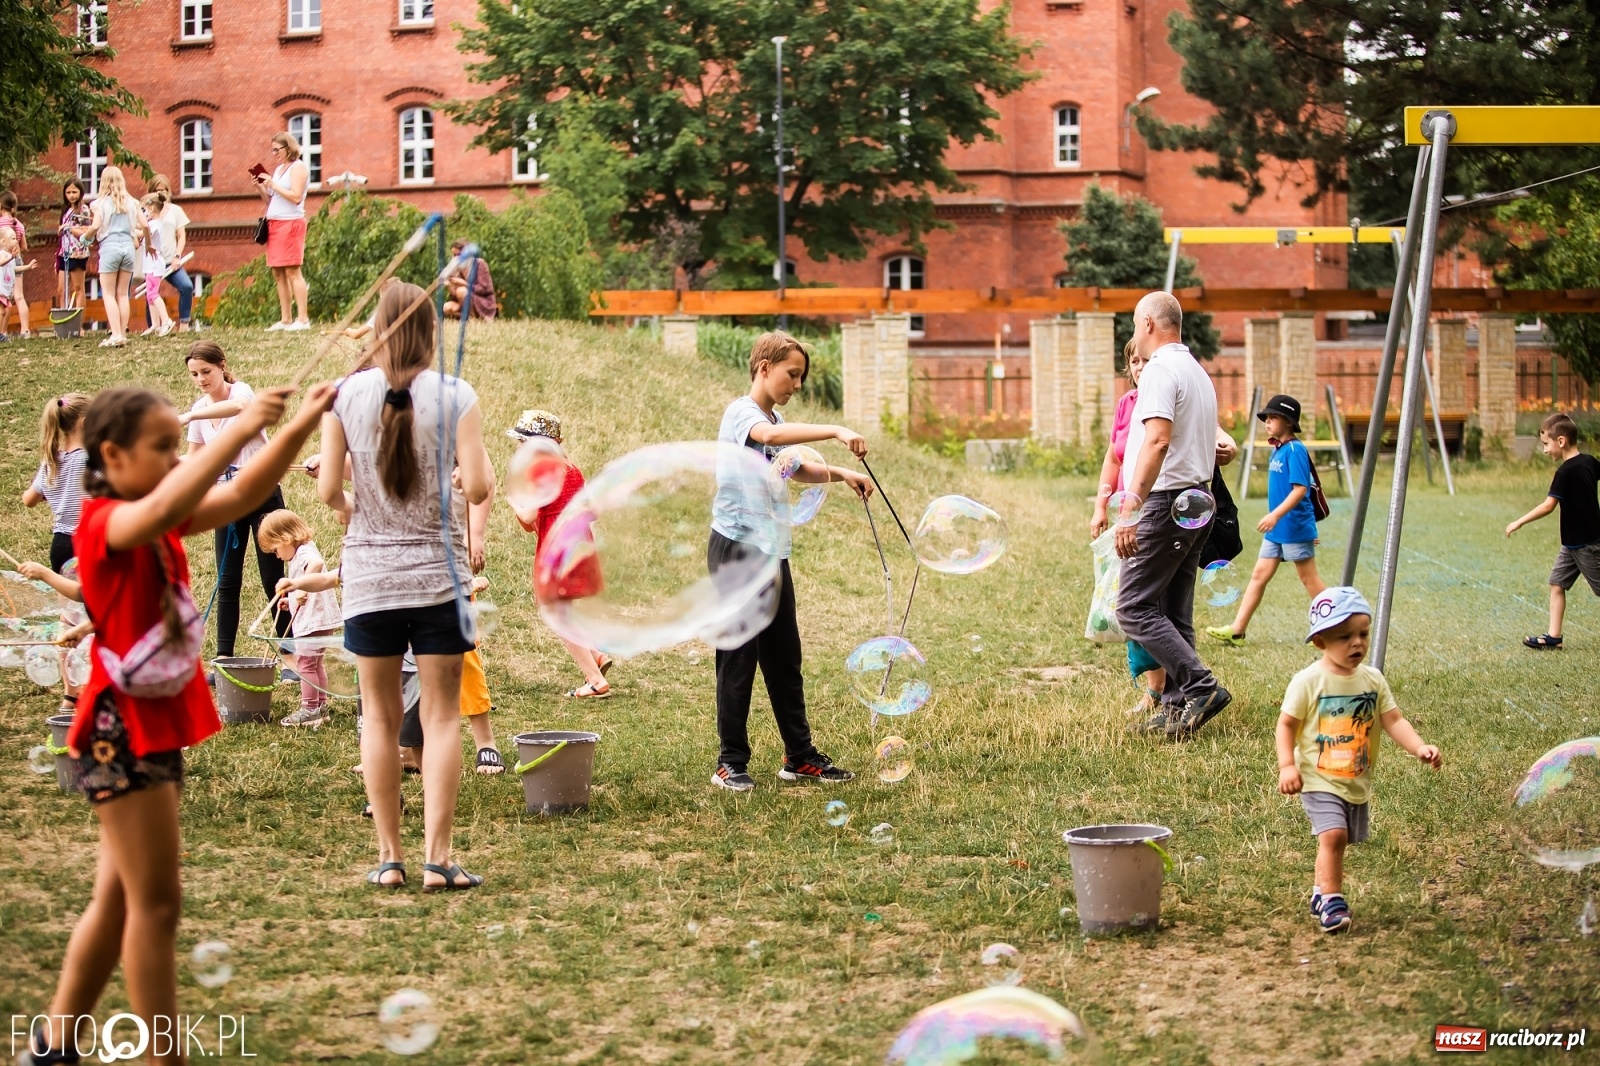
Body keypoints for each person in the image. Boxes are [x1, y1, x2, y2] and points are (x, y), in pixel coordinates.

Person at [20, 379, 333, 1066]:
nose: (173, 459)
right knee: (155, 905)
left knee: (118, 896)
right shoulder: (106, 522)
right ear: (113, 455)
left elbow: (240, 495)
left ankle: (53, 1045)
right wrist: (243, 419)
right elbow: (176, 495)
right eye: (162, 447)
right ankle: (164, 1058)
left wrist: (296, 425)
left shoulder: (153, 518)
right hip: (119, 732)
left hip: (141, 727)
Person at [320, 281, 495, 890]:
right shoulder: (456, 394)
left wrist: (354, 511)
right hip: (439, 581)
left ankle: (389, 857)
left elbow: (325, 493)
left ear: (376, 326)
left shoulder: (346, 393)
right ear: (429, 330)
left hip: (369, 580)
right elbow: (477, 488)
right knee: (443, 718)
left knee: (378, 716)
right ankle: (438, 860)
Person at [708, 330, 873, 792]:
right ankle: (730, 762)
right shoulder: (744, 414)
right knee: (738, 656)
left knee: (785, 657)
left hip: (770, 551)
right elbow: (770, 437)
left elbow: (792, 467)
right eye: (792, 374)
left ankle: (799, 756)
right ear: (764, 367)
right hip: (737, 549)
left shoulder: (775, 417)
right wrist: (837, 430)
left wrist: (841, 473)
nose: (796, 384)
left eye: (800, 377)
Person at [1277, 586, 1441, 934]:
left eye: (1363, 634)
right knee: (1333, 835)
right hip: (1316, 776)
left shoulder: (1372, 680)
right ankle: (1333, 901)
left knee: (1340, 840)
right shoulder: (1309, 681)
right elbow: (1286, 725)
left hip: (1354, 778)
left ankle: (1321, 892)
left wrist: (1419, 748)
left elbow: (1393, 720)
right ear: (1320, 642)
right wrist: (1287, 766)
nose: (1357, 643)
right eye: (1344, 637)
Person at [1114, 291, 1231, 741]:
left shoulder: (1162, 370)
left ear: (1147, 324)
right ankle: (1175, 707)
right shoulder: (1196, 371)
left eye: (1134, 326)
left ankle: (1200, 687)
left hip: (1166, 502)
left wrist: (1130, 509)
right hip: (1196, 501)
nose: (1134, 337)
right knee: (1174, 610)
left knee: (1134, 606)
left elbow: (1158, 442)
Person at [179, 341, 292, 661]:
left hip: (263, 494)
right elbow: (193, 461)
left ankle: (291, 657)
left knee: (274, 579)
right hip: (226, 500)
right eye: (194, 374)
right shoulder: (200, 411)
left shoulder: (241, 391)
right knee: (227, 580)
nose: (201, 379)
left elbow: (240, 409)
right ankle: (224, 658)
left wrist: (189, 415)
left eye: (206, 371)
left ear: (222, 366)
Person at [505, 409, 614, 698]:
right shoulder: (571, 468)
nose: (519, 449)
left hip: (554, 551)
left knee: (554, 613)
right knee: (562, 610)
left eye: (522, 443)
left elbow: (528, 517)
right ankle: (597, 655)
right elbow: (593, 510)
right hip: (577, 546)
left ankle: (595, 680)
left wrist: (513, 501)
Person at [1205, 394, 1326, 645]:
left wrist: (1275, 515)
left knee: (1308, 578)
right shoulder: (1278, 450)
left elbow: (1301, 490)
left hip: (1291, 526)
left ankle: (1335, 621)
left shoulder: (1295, 450)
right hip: (1278, 530)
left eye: (1273, 418)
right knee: (1259, 575)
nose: (1268, 422)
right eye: (1266, 418)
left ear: (1289, 422)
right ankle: (1237, 630)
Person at [1506, 411, 1600, 649]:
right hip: (1571, 544)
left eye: (1546, 444)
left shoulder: (1565, 471)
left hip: (1587, 544)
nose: (1545, 450)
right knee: (1556, 583)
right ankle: (1553, 637)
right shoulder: (1589, 461)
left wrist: (1519, 521)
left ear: (1561, 441)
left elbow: (1548, 506)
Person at [261, 509, 341, 727]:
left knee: (305, 664)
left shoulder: (305, 553)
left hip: (313, 620)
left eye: (276, 549)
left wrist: (302, 590)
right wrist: (292, 600)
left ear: (285, 538)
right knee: (316, 664)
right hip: (321, 619)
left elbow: (316, 564)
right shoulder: (301, 551)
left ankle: (309, 708)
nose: (277, 556)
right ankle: (320, 706)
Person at [70, 166, 146, 348]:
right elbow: (144, 225)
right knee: (122, 294)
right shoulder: (133, 202)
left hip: (110, 248)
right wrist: (148, 243)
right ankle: (123, 333)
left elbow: (95, 226)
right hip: (128, 248)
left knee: (109, 294)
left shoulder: (99, 204)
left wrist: (85, 238)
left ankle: (116, 334)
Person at [24, 393, 92, 574]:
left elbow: (28, 500)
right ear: (85, 423)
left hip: (61, 547)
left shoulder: (51, 462)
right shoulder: (91, 459)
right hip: (89, 544)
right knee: (94, 599)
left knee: (70, 600)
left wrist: (50, 492)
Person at [254, 131, 310, 331]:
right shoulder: (278, 170)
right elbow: (271, 201)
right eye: (273, 150)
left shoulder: (299, 167)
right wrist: (262, 187)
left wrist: (273, 184)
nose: (275, 153)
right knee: (278, 272)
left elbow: (295, 197)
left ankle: (302, 319)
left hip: (291, 223)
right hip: (274, 224)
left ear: (288, 147)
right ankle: (286, 319)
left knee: (292, 270)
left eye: (277, 149)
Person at [145, 176, 195, 332]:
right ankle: (154, 326)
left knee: (186, 286)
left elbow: (181, 236)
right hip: (153, 261)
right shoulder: (147, 211)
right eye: (157, 190)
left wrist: (177, 256)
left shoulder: (176, 210)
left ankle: (184, 325)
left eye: (164, 190)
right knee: (151, 293)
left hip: (170, 260)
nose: (161, 193)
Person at [137, 195, 175, 338]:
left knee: (153, 293)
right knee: (150, 295)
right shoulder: (154, 223)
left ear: (151, 208)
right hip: (150, 263)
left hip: (154, 263)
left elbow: (142, 232)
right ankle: (155, 324)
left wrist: (128, 230)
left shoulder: (154, 224)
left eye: (144, 210)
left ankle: (166, 320)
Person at [56, 178, 94, 311]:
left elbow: (86, 231)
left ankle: (79, 325)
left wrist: (69, 228)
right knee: (61, 290)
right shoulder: (65, 209)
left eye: (74, 192)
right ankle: (64, 321)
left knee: (78, 288)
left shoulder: (83, 209)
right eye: (68, 192)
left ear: (80, 192)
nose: (71, 195)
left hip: (77, 253)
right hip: (63, 252)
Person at [0, 190, 31, 337]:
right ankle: (25, 329)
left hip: (2, 261)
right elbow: (24, 247)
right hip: (16, 259)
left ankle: (3, 331)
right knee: (19, 296)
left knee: (2, 298)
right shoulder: (18, 224)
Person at [443, 240, 497, 320]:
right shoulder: (456, 269)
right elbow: (455, 296)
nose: (456, 258)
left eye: (458, 255)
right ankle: (465, 318)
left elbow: (483, 289)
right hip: (464, 302)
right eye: (454, 255)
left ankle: (473, 318)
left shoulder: (480, 264)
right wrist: (449, 286)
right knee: (447, 307)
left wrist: (464, 283)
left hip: (482, 301)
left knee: (461, 291)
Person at [0, 227, 37, 341]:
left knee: (5, 311)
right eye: (13, 239)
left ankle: (1, 333)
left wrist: (28, 267)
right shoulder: (3, 254)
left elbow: (14, 269)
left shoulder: (9, 256)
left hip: (5, 290)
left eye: (16, 238)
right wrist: (11, 257)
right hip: (0, 289)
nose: (16, 241)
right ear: (3, 242)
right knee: (1, 311)